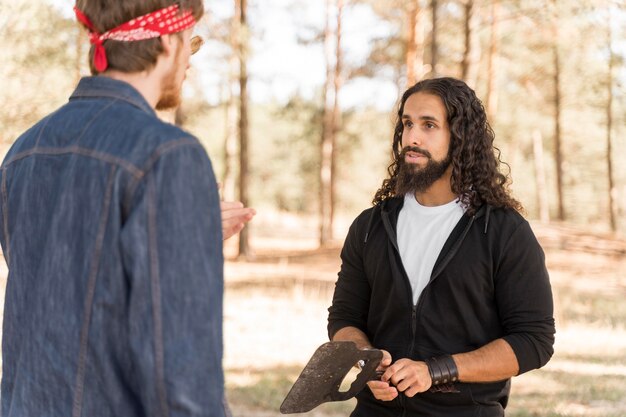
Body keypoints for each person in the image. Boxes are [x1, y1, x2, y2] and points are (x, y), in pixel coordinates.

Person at [0, 1, 254, 416]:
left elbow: (68, 283)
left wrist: (184, 235)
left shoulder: (24, 151)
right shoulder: (167, 154)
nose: (191, 56)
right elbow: (181, 368)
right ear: (169, 42)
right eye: (190, 41)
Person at [327, 77, 555, 417]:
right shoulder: (370, 226)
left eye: (429, 125)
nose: (412, 137)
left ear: (460, 137)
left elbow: (534, 341)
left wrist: (434, 370)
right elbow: (344, 318)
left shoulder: (503, 230)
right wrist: (367, 359)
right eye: (407, 124)